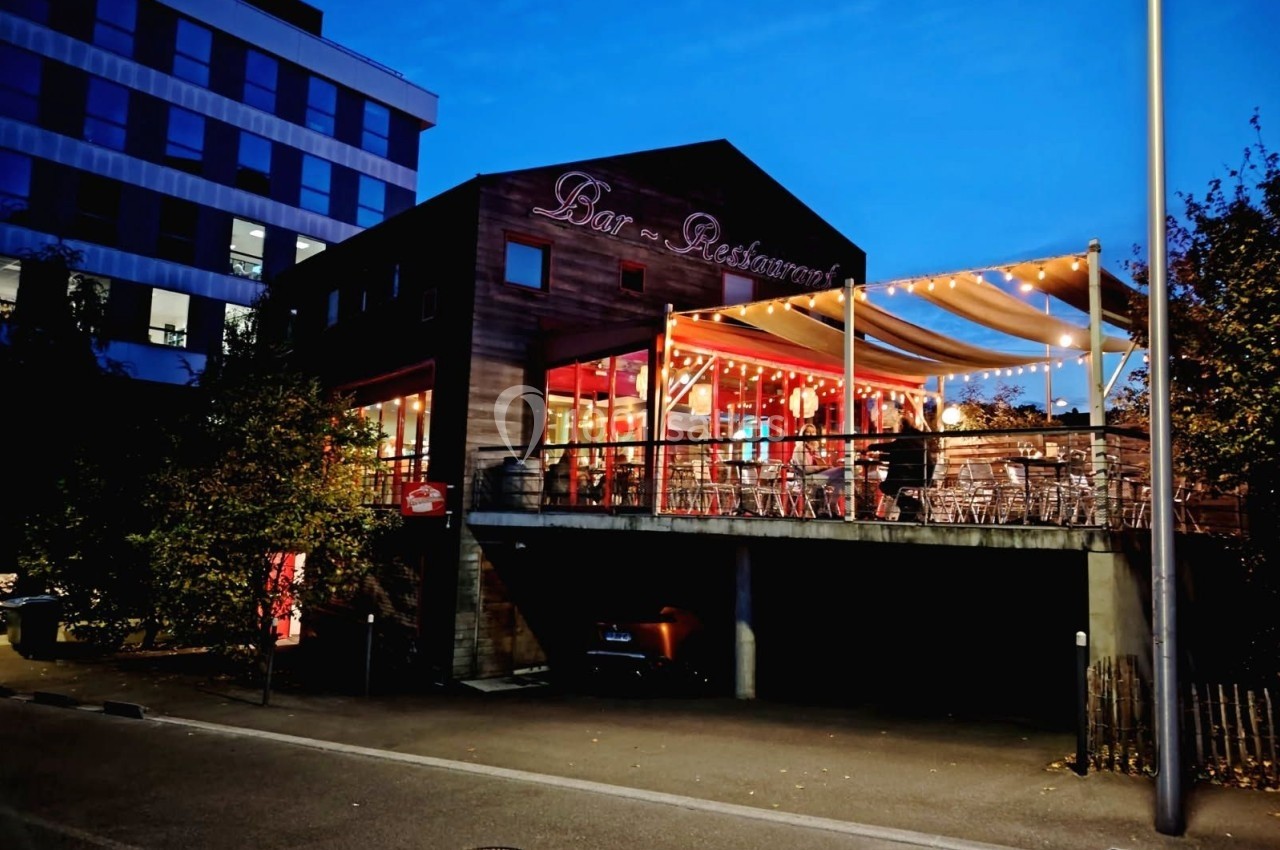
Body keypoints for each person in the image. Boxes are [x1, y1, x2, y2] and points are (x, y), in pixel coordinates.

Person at [867, 418, 932, 521]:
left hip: (917, 478)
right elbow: (899, 455)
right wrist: (878, 456)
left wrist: (871, 447)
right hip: (923, 476)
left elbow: (893, 447)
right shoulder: (917, 439)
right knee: (891, 481)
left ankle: (912, 505)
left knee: (887, 485)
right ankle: (906, 508)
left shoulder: (907, 438)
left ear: (901, 426)